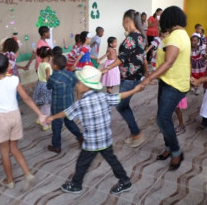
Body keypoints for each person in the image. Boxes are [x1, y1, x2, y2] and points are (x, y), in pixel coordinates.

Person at [46, 66, 140, 194]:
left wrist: (52, 117)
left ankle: (76, 184)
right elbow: (120, 96)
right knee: (112, 160)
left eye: (79, 82)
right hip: (105, 139)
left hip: (91, 142)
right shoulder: (103, 96)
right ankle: (125, 181)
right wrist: (135, 89)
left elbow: (65, 113)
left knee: (82, 163)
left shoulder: (81, 104)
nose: (77, 84)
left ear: (86, 85)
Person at [0, 53, 45, 190]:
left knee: (4, 151)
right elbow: (27, 99)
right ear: (7, 67)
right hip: (15, 117)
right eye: (9, 63)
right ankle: (27, 173)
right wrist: (40, 114)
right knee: (14, 148)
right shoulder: (14, 80)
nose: (11, 64)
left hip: (1, 119)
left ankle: (9, 181)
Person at [141, 6, 190, 170]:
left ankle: (176, 152)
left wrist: (148, 78)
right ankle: (169, 148)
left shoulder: (176, 37)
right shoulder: (181, 34)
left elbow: (168, 63)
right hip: (168, 81)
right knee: (163, 118)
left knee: (163, 119)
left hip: (173, 85)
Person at [102, 9, 146, 148]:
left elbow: (121, 58)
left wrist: (107, 68)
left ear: (127, 20)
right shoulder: (139, 36)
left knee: (121, 105)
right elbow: (140, 57)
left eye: (123, 20)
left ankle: (137, 134)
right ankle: (135, 133)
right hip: (134, 76)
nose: (122, 24)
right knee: (123, 105)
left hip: (130, 77)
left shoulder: (132, 37)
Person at [47, 55, 83, 153]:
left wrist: (47, 77)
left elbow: (49, 87)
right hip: (69, 103)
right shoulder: (71, 75)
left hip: (57, 106)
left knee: (56, 125)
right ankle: (80, 137)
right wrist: (78, 94)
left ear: (54, 66)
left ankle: (57, 146)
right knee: (69, 121)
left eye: (51, 62)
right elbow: (78, 83)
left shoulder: (52, 78)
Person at [32, 46, 53, 130]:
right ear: (49, 56)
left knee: (44, 104)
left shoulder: (40, 64)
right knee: (47, 106)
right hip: (46, 86)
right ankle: (45, 124)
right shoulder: (47, 66)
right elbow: (48, 77)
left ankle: (39, 118)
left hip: (40, 84)